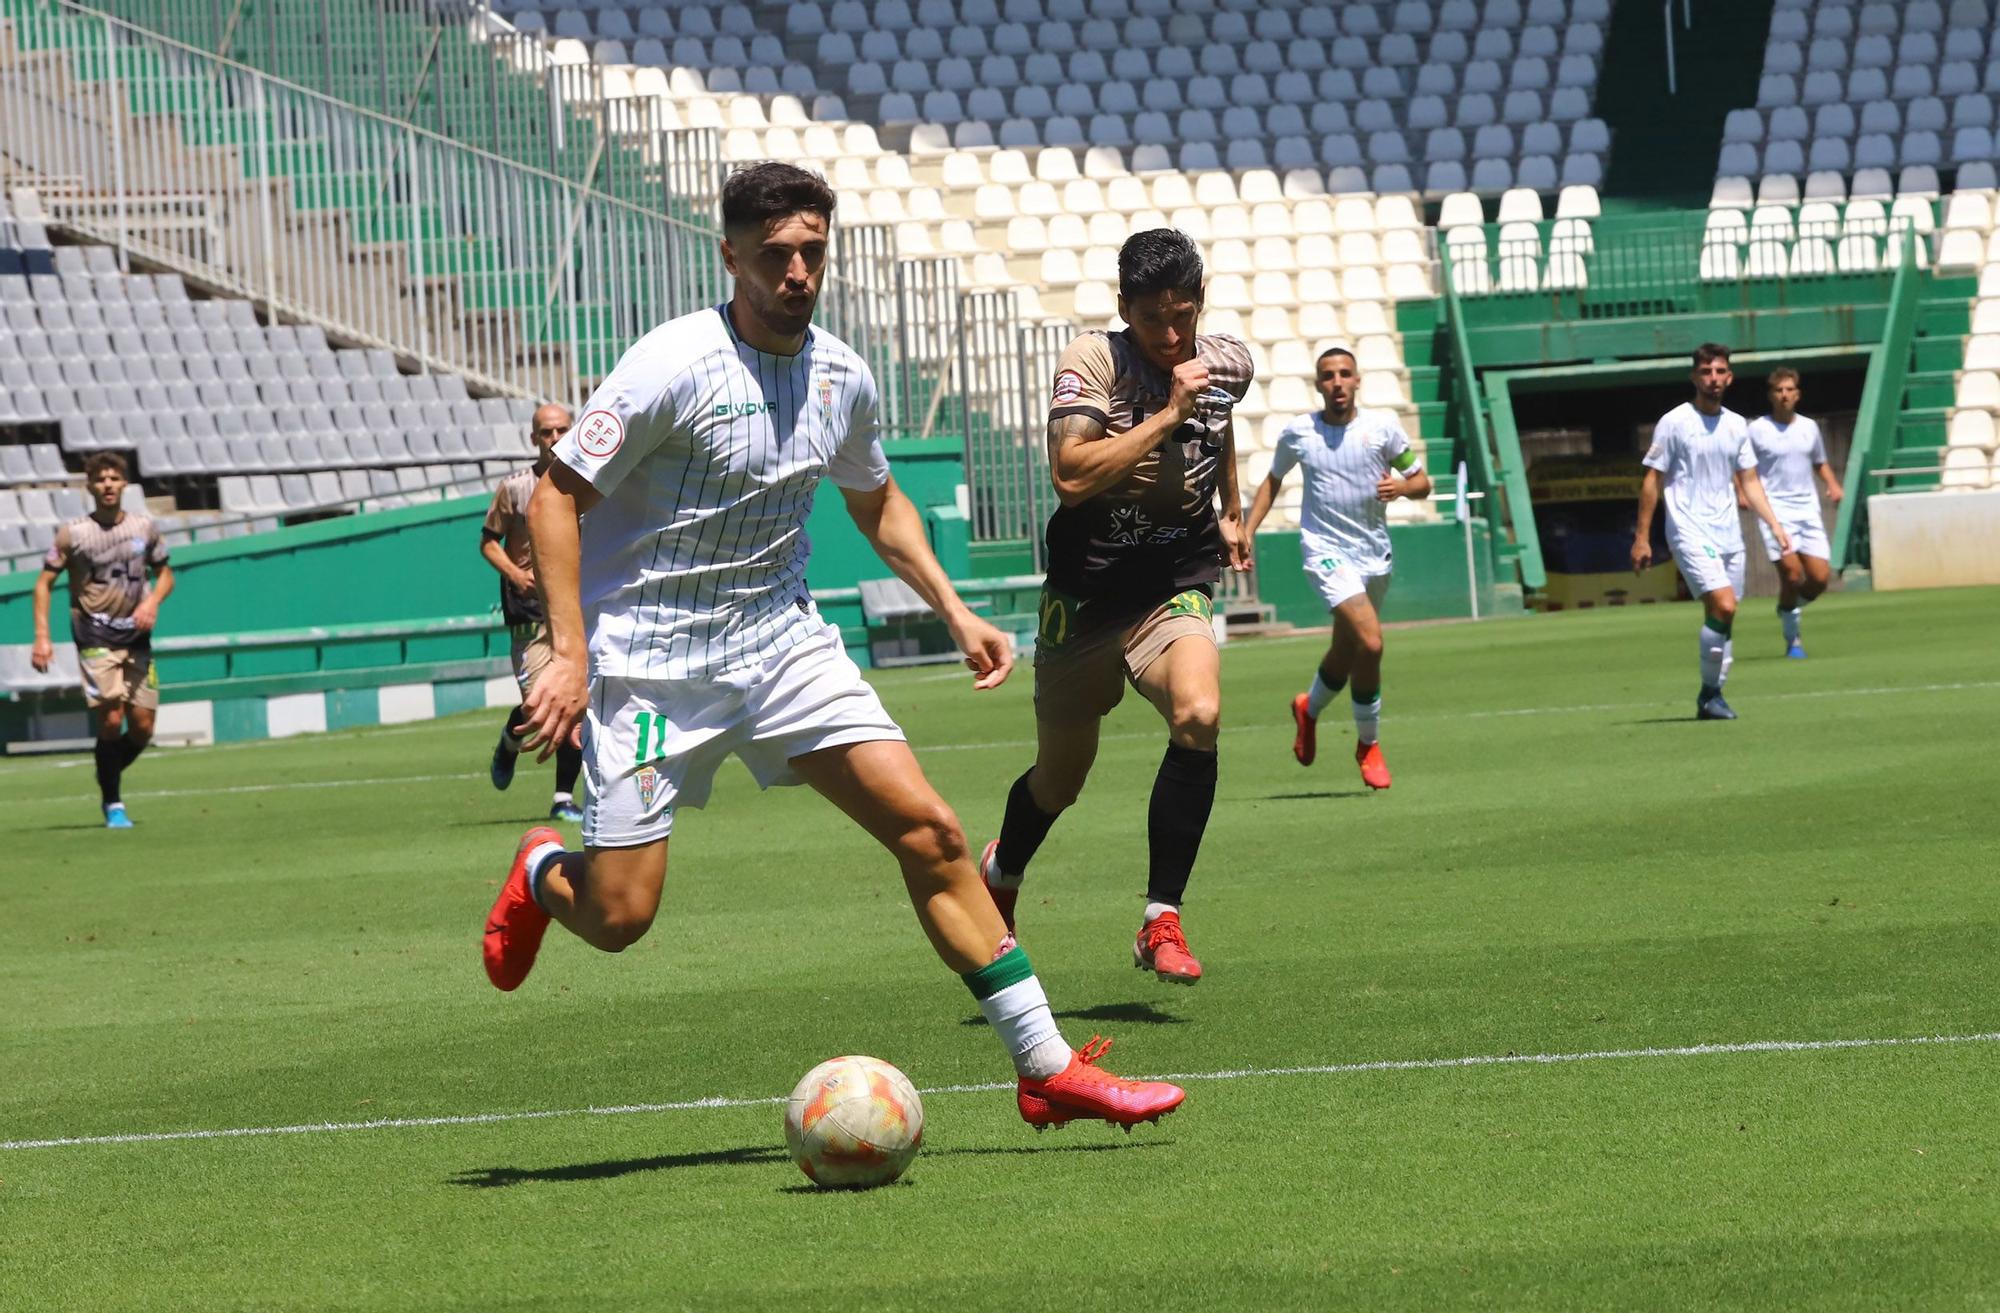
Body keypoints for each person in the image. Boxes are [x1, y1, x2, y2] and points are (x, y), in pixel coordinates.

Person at [481, 162, 1183, 1130]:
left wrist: (952, 605)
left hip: (782, 647)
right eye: (773, 255)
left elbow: (875, 498)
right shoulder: (670, 363)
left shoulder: (841, 374)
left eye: (812, 251)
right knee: (618, 916)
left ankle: (1044, 1063)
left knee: (931, 832)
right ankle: (536, 871)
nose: (797, 271)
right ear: (730, 256)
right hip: (650, 668)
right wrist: (569, 652)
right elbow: (558, 494)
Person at [978, 228, 1253, 986]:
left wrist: (1230, 509)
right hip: (1087, 594)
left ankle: (1161, 917)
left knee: (1198, 714)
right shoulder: (1094, 360)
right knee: (1060, 781)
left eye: (1185, 316)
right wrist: (1166, 415)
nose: (1172, 335)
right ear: (1123, 306)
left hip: (1171, 580)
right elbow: (1070, 474)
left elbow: (1218, 423)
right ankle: (1002, 870)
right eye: (1155, 319)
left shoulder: (1226, 360)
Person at [1245, 346, 1431, 791]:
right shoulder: (1300, 433)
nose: (1337, 382)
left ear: (1358, 380)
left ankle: (1308, 710)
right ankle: (1369, 744)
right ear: (1318, 384)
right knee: (1370, 642)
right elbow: (1273, 480)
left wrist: (1402, 487)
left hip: (1373, 554)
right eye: (1328, 376)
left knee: (1347, 651)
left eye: (1345, 374)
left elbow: (1423, 483)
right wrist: (1247, 531)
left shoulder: (1382, 430)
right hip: (1324, 551)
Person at [1631, 344, 1791, 721]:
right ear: (1694, 377)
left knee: (1724, 616)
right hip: (1688, 527)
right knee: (1724, 605)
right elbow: (1652, 480)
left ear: (1729, 378)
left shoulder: (1737, 425)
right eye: (1706, 372)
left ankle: (1713, 696)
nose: (1713, 379)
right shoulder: (1674, 422)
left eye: (1720, 371)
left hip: (1728, 533)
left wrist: (1774, 522)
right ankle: (1709, 693)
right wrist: (1641, 536)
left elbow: (1750, 481)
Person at [29, 452, 174, 828]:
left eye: (114, 478)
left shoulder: (144, 528)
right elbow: (43, 585)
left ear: (125, 484)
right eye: (101, 479)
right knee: (111, 720)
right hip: (94, 634)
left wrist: (153, 602)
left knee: (142, 728)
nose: (108, 485)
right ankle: (113, 802)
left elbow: (166, 575)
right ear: (90, 486)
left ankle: (105, 771)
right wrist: (42, 638)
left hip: (137, 636)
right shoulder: (73, 533)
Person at [481, 402, 585, 822]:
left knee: (574, 706)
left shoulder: (587, 483)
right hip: (528, 612)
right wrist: (514, 573)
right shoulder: (515, 488)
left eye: (561, 430)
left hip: (575, 609)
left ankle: (563, 798)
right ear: (534, 439)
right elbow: (489, 541)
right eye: (546, 432)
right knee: (539, 707)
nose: (555, 439)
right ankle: (510, 739)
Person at [1745, 367, 1842, 658]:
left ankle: (1787, 607)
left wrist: (1833, 484)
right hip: (1774, 510)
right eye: (1778, 390)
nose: (1784, 395)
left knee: (1820, 579)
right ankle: (1793, 639)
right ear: (1770, 395)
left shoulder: (1809, 428)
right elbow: (1744, 467)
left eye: (1789, 389)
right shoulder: (1757, 429)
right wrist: (1741, 491)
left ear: (1797, 394)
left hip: (1807, 509)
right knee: (1790, 573)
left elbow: (1819, 461)